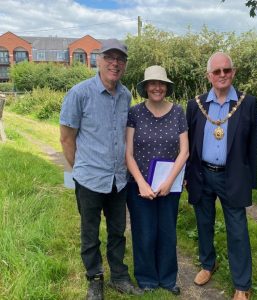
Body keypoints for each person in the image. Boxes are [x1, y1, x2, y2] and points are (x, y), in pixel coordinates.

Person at [59, 39, 143, 300]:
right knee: (90, 233)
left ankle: (119, 276)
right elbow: (66, 138)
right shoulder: (79, 93)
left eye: (120, 59)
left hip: (119, 180)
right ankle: (95, 279)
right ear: (98, 59)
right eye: (110, 57)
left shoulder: (126, 94)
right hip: (89, 180)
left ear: (125, 65)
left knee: (118, 232)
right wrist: (81, 171)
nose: (115, 63)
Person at [185, 52, 257, 300]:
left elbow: (253, 145)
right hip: (202, 174)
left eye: (226, 70)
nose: (222, 75)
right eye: (216, 72)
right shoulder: (196, 104)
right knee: (204, 224)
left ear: (233, 72)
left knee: (237, 229)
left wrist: (251, 179)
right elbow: (188, 144)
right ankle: (208, 265)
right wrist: (186, 174)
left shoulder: (247, 103)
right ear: (209, 76)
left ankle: (242, 284)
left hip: (233, 176)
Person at [126, 65, 189, 295]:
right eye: (152, 83)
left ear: (166, 87)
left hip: (169, 186)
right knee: (144, 231)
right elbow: (128, 153)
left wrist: (169, 181)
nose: (157, 87)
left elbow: (184, 151)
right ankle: (147, 279)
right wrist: (141, 183)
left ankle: (168, 278)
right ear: (145, 87)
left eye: (161, 84)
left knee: (167, 231)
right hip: (138, 185)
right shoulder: (135, 112)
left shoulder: (178, 112)